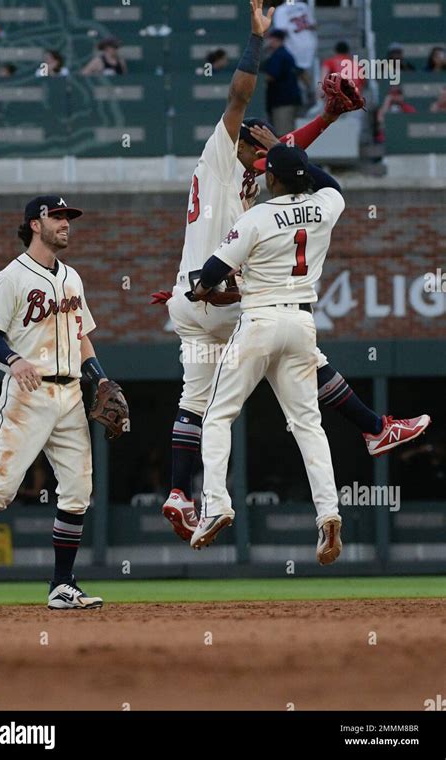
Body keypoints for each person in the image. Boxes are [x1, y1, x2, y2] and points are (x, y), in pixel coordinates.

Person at [153, 7, 429, 544]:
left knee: (198, 402)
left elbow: (289, 156)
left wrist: (323, 122)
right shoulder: (219, 157)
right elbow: (240, 104)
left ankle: (180, 493)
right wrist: (256, 40)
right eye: (259, 147)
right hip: (228, 300)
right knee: (299, 361)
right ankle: (373, 429)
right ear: (246, 147)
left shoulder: (255, 185)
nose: (265, 153)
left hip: (194, 300)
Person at [187, 144, 345, 561]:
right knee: (309, 424)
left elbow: (214, 272)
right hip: (302, 323)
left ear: (272, 179)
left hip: (260, 320)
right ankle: (328, 513)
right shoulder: (325, 207)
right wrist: (302, 161)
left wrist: (201, 288)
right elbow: (333, 186)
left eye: (266, 172)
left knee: (218, 414)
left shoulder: (257, 215)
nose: (262, 177)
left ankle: (216, 503)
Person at [0, 195, 128, 609]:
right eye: (56, 216)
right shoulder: (11, 276)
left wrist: (100, 379)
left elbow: (82, 337)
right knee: (0, 490)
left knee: (78, 490)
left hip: (71, 394)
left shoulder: (72, 278)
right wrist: (13, 359)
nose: (65, 223)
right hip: (28, 394)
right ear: (34, 224)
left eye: (67, 217)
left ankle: (62, 586)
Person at [272, 1, 317, 98]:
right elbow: (313, 26)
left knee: (296, 76)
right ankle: (311, 94)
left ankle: (308, 95)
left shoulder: (281, 10)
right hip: (309, 45)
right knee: (305, 75)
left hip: (293, 47)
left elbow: (280, 32)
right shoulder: (303, 6)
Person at [264, 29, 302, 135]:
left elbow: (271, 76)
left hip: (283, 101)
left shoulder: (279, 55)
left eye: (270, 39)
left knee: (284, 134)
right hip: (285, 100)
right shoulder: (283, 54)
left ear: (275, 40)